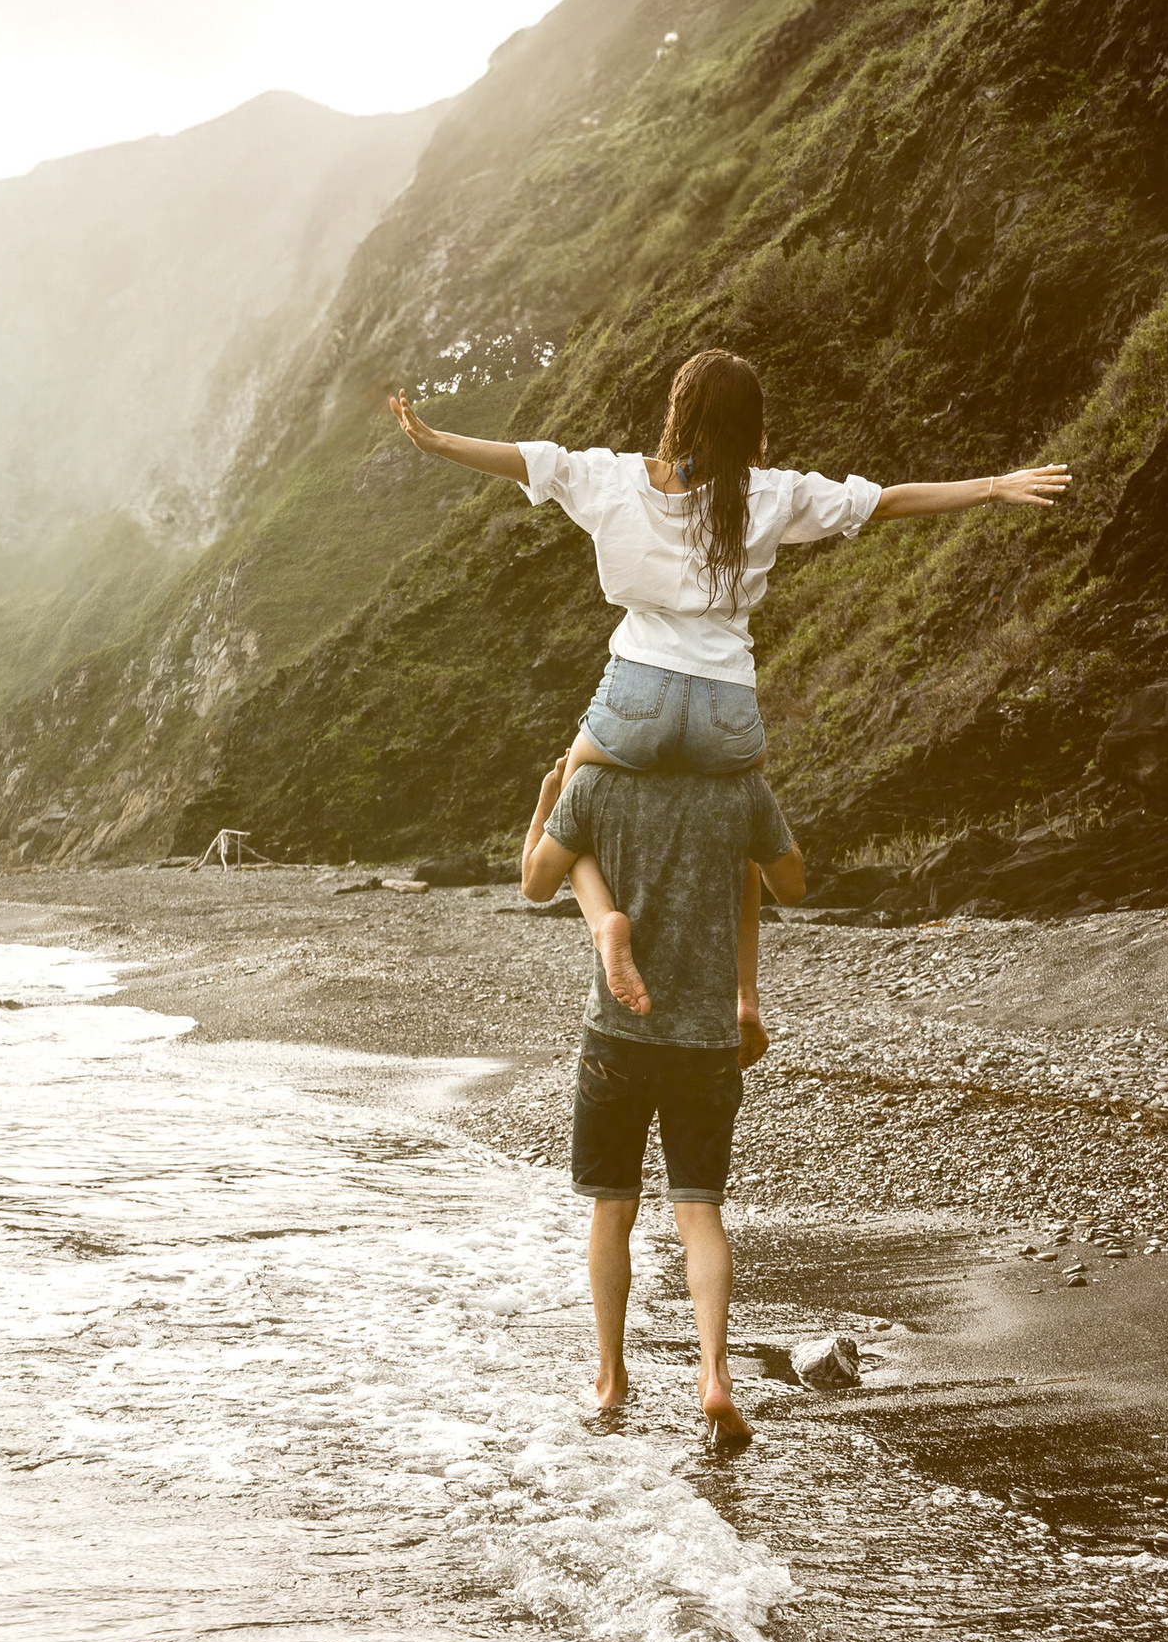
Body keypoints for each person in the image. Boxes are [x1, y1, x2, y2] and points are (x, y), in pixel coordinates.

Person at [384, 347, 1070, 789]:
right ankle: (746, 996)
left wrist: (437, 439)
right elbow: (883, 503)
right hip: (726, 701)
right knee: (745, 830)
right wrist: (991, 485)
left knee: (567, 798)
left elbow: (529, 459)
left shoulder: (612, 480)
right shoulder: (771, 493)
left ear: (678, 411)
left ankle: (605, 925)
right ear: (751, 425)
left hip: (637, 693)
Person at [520, 745, 803, 1449]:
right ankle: (713, 1375)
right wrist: (747, 997)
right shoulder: (738, 786)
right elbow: (788, 883)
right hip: (703, 1041)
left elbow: (533, 881)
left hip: (617, 1034)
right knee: (700, 1215)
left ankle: (611, 1377)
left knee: (612, 1209)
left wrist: (548, 795)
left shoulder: (594, 783)